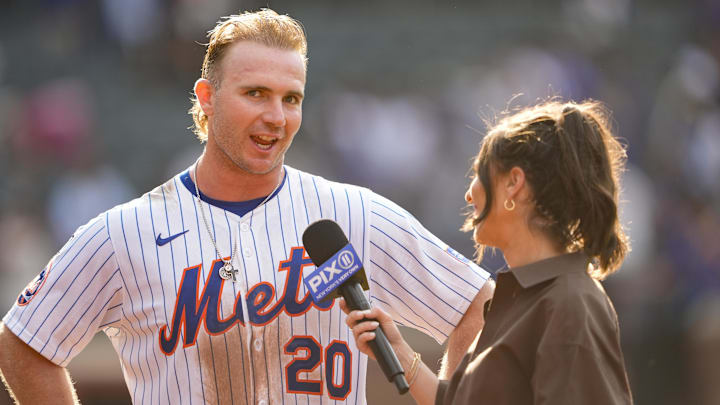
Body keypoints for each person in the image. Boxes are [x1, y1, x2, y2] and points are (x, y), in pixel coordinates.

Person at [0, 8, 493, 405]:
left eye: (291, 98)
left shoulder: (351, 216)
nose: (276, 116)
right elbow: (23, 342)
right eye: (255, 93)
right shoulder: (126, 231)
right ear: (207, 97)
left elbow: (479, 303)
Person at [343, 100, 634, 404]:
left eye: (480, 174)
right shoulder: (522, 298)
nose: (470, 193)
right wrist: (400, 354)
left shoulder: (571, 302)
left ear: (514, 184)